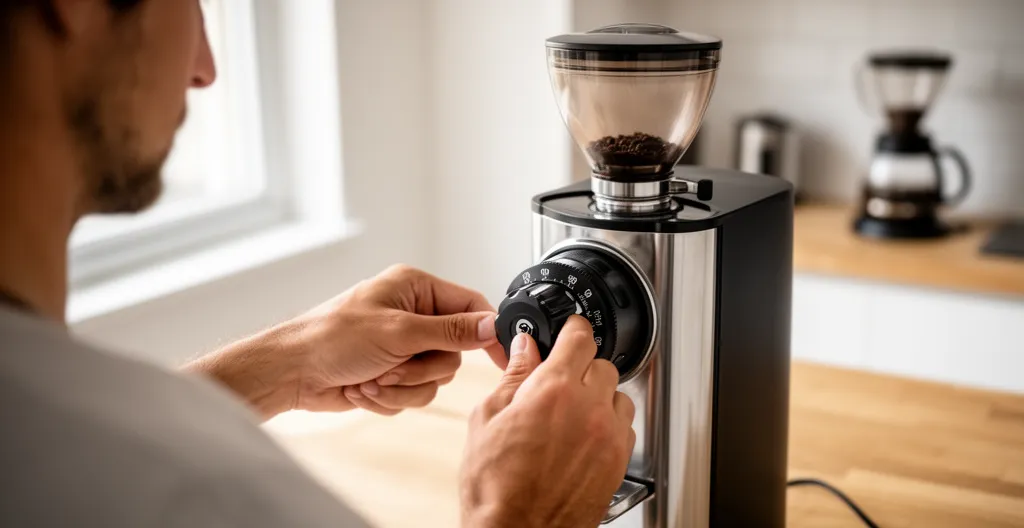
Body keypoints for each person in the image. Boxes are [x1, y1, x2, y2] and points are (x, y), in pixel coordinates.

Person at [0, 1, 638, 527]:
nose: (206, 69)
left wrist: (286, 365)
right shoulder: (212, 494)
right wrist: (522, 514)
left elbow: (72, 448)